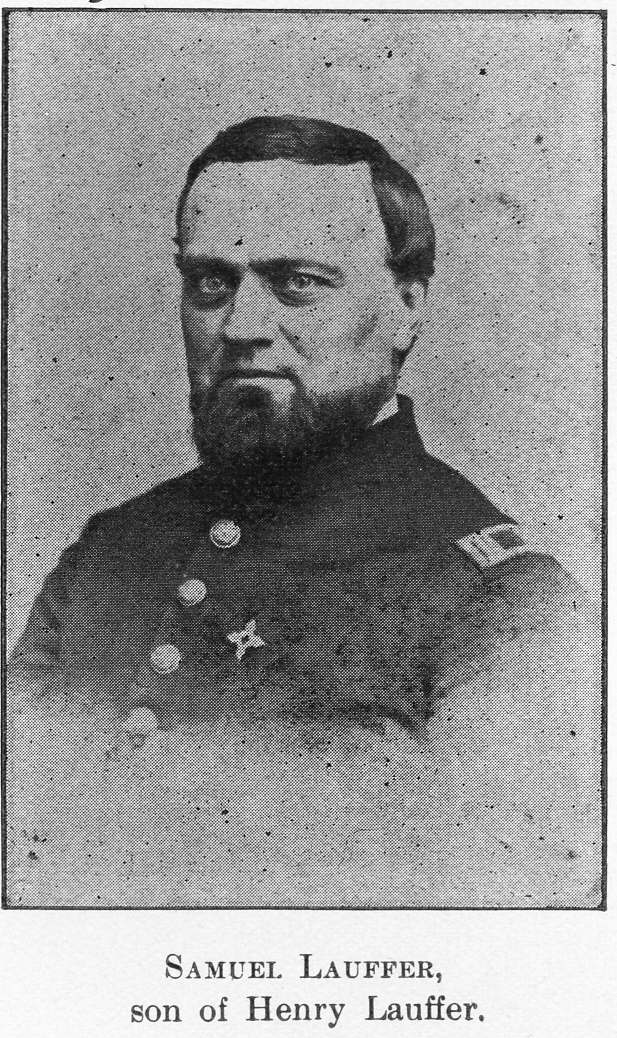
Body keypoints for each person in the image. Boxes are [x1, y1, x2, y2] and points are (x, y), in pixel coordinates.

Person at [7, 117, 601, 908]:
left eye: (298, 282)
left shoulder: (504, 605)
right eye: (211, 283)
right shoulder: (111, 551)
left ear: (407, 307)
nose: (241, 327)